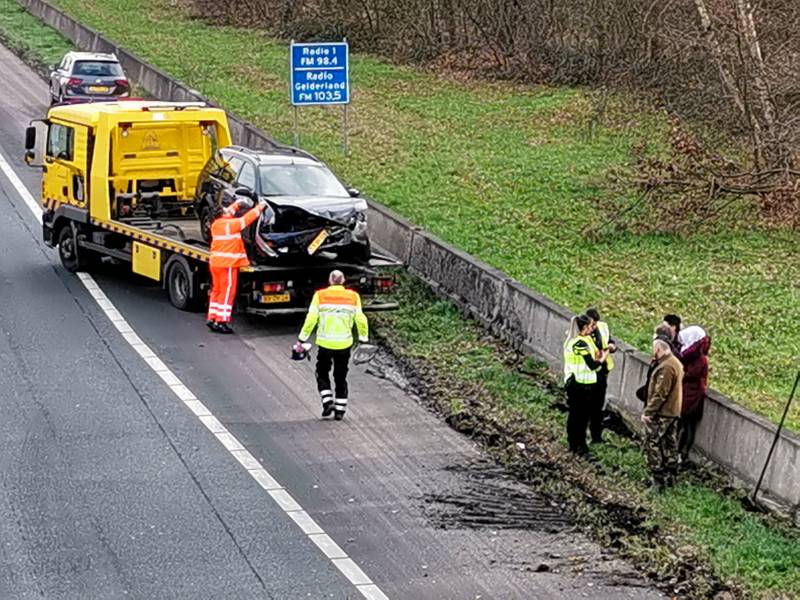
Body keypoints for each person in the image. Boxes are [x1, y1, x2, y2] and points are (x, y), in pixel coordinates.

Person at [298, 270, 369, 420]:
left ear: (330, 281)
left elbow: (311, 318)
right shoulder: (353, 296)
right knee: (340, 376)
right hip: (344, 344)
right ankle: (340, 411)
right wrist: (363, 338)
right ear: (343, 281)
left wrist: (302, 338)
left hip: (325, 343)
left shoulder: (320, 295)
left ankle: (327, 401)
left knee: (322, 372)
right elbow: (361, 319)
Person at [207, 197, 269, 333]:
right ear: (223, 214)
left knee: (216, 290)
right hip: (227, 265)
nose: (228, 210)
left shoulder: (216, 224)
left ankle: (212, 318)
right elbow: (247, 219)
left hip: (216, 263)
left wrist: (238, 203)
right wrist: (260, 206)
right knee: (227, 292)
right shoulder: (230, 225)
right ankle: (221, 321)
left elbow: (229, 211)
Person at [641, 338, 684, 491]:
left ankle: (657, 479)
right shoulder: (675, 363)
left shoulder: (666, 367)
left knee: (652, 442)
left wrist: (648, 412)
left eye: (653, 349)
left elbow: (660, 393)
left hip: (663, 412)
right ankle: (671, 475)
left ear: (659, 349)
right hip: (673, 412)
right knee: (670, 443)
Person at [563, 314, 609, 456]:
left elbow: (595, 354)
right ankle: (577, 445)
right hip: (577, 385)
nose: (592, 329)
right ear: (583, 327)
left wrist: (599, 357)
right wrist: (603, 359)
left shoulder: (586, 340)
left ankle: (578, 444)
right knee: (577, 417)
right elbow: (592, 364)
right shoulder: (578, 343)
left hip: (587, 384)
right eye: (590, 326)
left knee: (582, 417)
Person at [676, 325, 711, 462]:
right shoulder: (693, 356)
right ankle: (680, 452)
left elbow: (690, 374)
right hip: (688, 394)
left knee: (687, 426)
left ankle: (682, 454)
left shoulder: (699, 358)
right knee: (685, 425)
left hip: (691, 397)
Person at [585, 307, 616, 443]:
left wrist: (611, 346)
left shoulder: (602, 327)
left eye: (596, 323)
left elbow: (610, 341)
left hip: (602, 372)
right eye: (592, 324)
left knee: (598, 407)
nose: (594, 327)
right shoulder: (582, 332)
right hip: (588, 373)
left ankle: (596, 436)